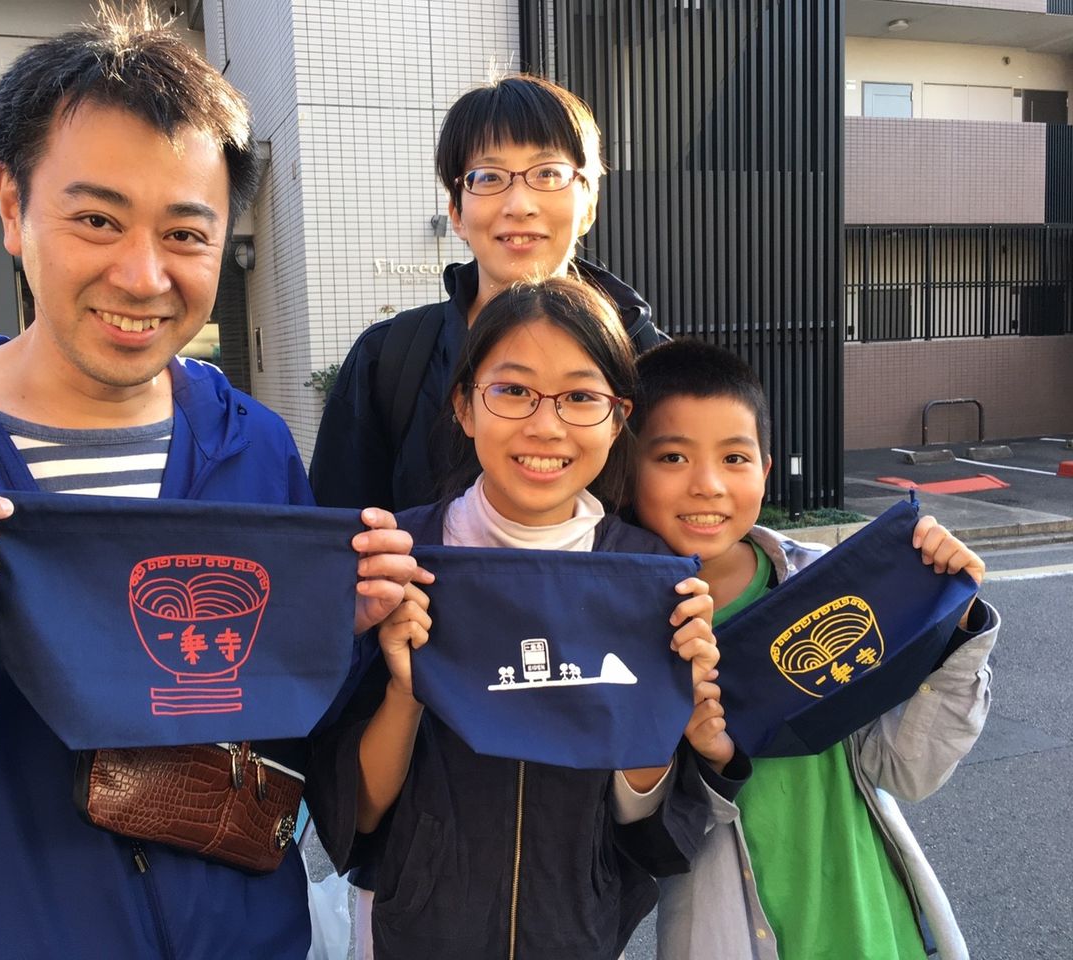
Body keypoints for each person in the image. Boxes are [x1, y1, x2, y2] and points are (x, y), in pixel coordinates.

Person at [0, 9, 420, 959]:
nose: (142, 275)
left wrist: (346, 630)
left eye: (185, 233)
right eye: (97, 219)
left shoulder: (251, 447)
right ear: (12, 206)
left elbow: (302, 725)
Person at [306, 278, 747, 960]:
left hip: (577, 932)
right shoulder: (395, 562)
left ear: (617, 418)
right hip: (416, 931)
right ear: (464, 406)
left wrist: (659, 711)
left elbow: (644, 826)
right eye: (513, 390)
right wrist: (405, 690)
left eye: (580, 397)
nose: (546, 426)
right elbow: (358, 815)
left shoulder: (649, 578)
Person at [630, 338, 1000, 960]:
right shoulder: (621, 630)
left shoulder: (827, 585)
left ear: (766, 469)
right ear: (626, 467)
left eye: (735, 457)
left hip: (877, 928)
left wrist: (954, 627)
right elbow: (635, 838)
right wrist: (712, 764)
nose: (708, 485)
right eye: (672, 456)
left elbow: (906, 771)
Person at [310, 73, 667, 514]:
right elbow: (337, 534)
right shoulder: (387, 362)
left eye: (548, 173)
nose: (519, 205)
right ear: (456, 212)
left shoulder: (649, 362)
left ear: (588, 206)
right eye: (488, 176)